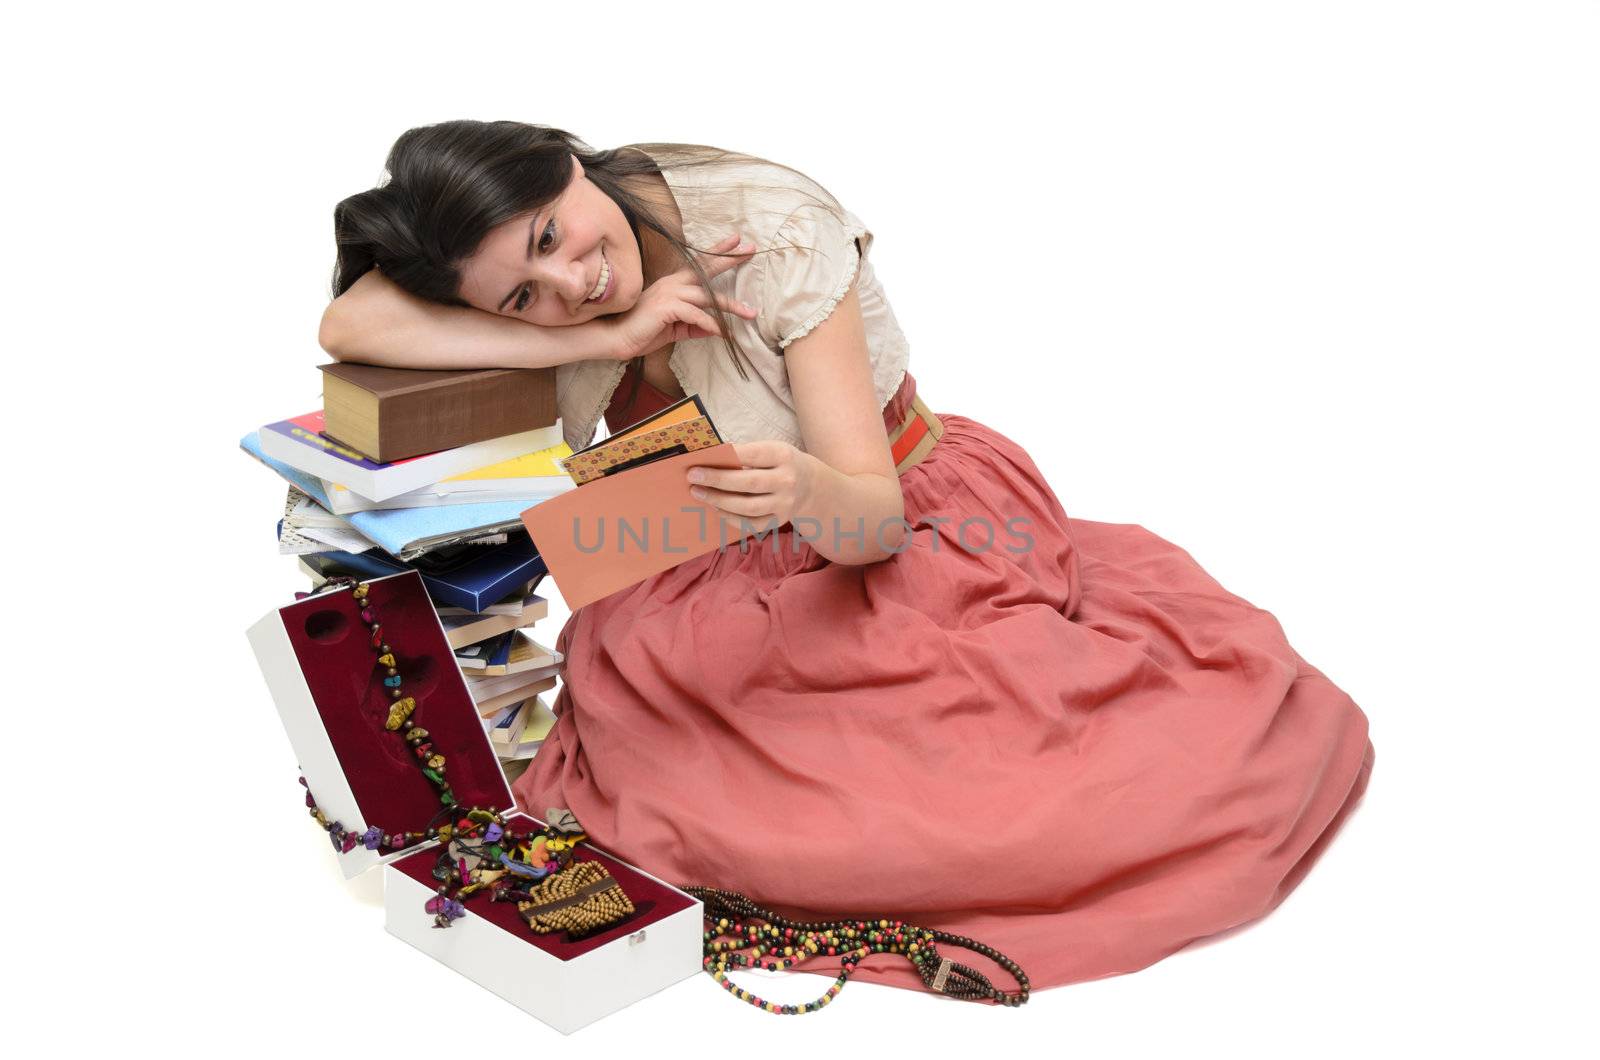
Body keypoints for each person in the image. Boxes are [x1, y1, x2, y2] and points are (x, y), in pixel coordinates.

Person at [322, 120, 1375, 993]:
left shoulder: (770, 228)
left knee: (966, 800)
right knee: (665, 744)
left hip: (893, 530)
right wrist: (590, 341)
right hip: (702, 543)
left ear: (569, 159)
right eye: (521, 294)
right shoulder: (567, 303)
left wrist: (807, 490)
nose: (575, 278)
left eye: (557, 231)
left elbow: (868, 519)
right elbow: (351, 317)